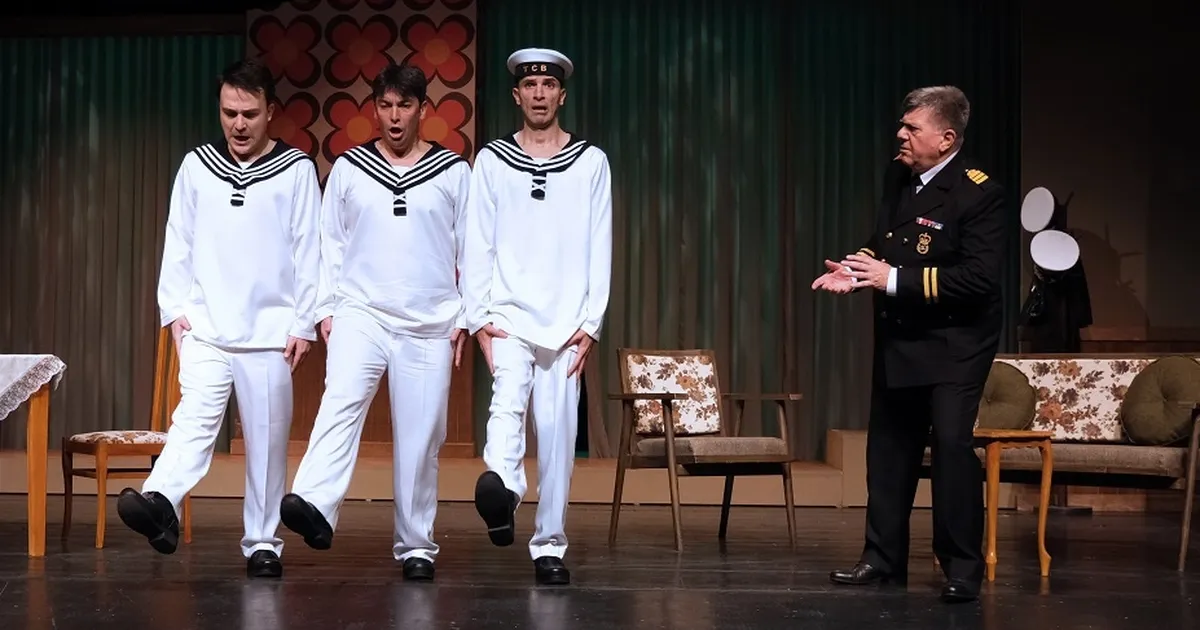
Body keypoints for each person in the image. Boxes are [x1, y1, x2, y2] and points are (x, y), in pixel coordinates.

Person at [116, 58, 321, 578]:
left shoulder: (295, 170)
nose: (239, 124)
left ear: (270, 112)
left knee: (267, 444)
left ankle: (263, 542)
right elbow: (178, 239)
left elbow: (309, 250)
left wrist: (303, 322)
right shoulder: (197, 165)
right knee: (194, 419)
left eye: (249, 113)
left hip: (269, 333)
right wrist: (175, 311)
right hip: (206, 326)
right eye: (230, 113)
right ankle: (160, 502)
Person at [813, 85, 1006, 603]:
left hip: (955, 342)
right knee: (888, 449)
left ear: (946, 139)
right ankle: (881, 558)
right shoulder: (898, 176)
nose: (900, 134)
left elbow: (979, 279)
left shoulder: (979, 193)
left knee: (951, 448)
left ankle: (960, 568)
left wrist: (891, 279)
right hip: (901, 336)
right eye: (902, 124)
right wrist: (857, 269)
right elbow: (888, 243)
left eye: (912, 127)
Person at [277, 63, 470, 582]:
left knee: (421, 437)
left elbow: (474, 247)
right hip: (361, 312)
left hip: (429, 320)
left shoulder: (453, 172)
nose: (394, 116)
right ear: (375, 110)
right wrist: (326, 309)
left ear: (423, 109)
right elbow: (329, 243)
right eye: (385, 106)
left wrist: (468, 314)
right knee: (340, 401)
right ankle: (314, 504)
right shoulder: (349, 167)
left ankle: (416, 546)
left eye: (404, 105)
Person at [462, 47, 612, 586]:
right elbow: (477, 240)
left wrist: (591, 323)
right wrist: (477, 316)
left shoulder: (590, 162)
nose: (540, 93)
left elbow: (600, 241)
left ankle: (549, 544)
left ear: (561, 95)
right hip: (508, 313)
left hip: (566, 322)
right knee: (505, 405)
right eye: (531, 85)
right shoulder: (492, 160)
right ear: (517, 95)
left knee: (556, 436)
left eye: (549, 85)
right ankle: (502, 491)